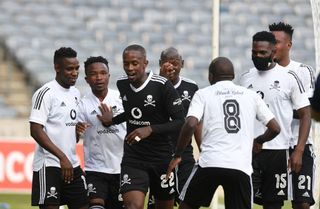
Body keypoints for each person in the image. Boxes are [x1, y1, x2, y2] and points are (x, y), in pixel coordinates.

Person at [166, 56, 281, 209]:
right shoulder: (251, 95)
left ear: (210, 76)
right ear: (233, 76)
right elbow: (275, 128)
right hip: (240, 166)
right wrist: (259, 140)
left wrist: (178, 154)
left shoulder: (203, 94)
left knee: (187, 206)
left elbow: (191, 123)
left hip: (210, 163)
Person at [97, 44, 185, 209]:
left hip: (162, 158)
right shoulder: (122, 84)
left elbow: (181, 121)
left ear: (145, 63)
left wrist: (150, 129)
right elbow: (133, 112)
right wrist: (112, 120)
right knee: (132, 206)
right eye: (126, 63)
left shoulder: (162, 85)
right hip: (134, 158)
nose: (129, 68)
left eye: (134, 63)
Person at [239, 31, 311, 209]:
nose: (257, 56)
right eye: (254, 52)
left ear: (272, 53)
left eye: (263, 53)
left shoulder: (289, 77)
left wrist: (299, 151)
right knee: (241, 201)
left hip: (277, 151)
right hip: (249, 151)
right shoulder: (245, 77)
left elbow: (305, 114)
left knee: (273, 204)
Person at [29, 47, 88, 209]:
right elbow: (35, 130)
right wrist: (62, 158)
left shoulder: (75, 93)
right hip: (50, 165)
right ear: (57, 68)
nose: (75, 73)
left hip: (72, 164)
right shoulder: (45, 93)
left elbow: (68, 131)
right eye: (69, 69)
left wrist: (76, 131)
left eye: (77, 68)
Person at [269, 22, 316, 209]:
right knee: (271, 202)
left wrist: (280, 108)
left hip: (299, 145)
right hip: (273, 147)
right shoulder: (261, 74)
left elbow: (307, 111)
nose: (273, 46)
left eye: (277, 42)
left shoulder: (303, 71)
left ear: (289, 45)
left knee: (302, 203)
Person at [147, 47, 201, 209]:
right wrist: (162, 82)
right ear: (159, 64)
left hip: (184, 154)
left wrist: (203, 149)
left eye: (175, 63)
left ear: (182, 64)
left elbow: (197, 122)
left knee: (189, 200)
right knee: (159, 203)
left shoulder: (192, 88)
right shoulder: (150, 85)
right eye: (166, 63)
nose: (171, 67)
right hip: (158, 154)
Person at [76, 56, 126, 209]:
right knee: (95, 206)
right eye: (93, 74)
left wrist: (112, 120)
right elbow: (74, 137)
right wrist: (76, 131)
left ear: (109, 76)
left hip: (122, 168)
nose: (99, 77)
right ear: (87, 79)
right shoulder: (82, 105)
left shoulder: (122, 99)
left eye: (103, 73)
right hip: (95, 169)